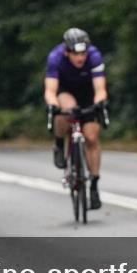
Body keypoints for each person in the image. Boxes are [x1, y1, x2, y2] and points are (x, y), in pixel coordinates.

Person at [44, 28, 108, 209]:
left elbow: (100, 89)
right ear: (67, 52)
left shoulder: (94, 56)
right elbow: (50, 91)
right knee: (66, 110)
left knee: (92, 137)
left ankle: (94, 185)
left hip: (88, 92)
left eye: (83, 53)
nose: (80, 57)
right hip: (65, 90)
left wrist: (99, 103)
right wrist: (53, 105)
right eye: (75, 53)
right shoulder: (55, 57)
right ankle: (58, 142)